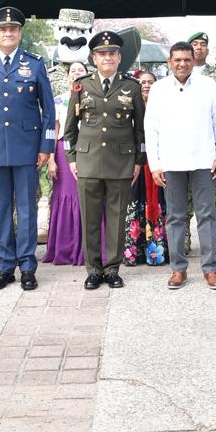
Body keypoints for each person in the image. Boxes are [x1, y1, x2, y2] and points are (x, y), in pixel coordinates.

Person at [0, 6, 55, 292]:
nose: (8, 33)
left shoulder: (35, 64)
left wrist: (45, 146)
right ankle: (5, 265)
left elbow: (48, 111)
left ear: (20, 33)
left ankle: (27, 265)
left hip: (27, 147)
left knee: (27, 208)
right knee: (0, 207)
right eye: (3, 29)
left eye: (13, 29)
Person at [63, 32, 145, 289]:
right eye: (102, 54)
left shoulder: (132, 86)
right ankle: (93, 269)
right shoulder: (81, 86)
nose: (107, 57)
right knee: (89, 219)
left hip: (121, 162)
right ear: (94, 58)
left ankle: (112, 269)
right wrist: (71, 158)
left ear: (119, 57)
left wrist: (139, 161)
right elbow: (69, 130)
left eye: (112, 53)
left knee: (116, 218)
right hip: (87, 162)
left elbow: (140, 130)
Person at [147, 41, 216, 290]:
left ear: (193, 61)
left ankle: (210, 269)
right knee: (175, 217)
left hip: (204, 160)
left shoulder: (208, 85)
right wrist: (155, 165)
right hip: (171, 162)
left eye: (187, 59)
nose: (182, 64)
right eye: (177, 60)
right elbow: (151, 128)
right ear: (169, 62)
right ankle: (178, 269)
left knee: (207, 215)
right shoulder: (159, 89)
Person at [45, 61, 90, 266]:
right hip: (64, 150)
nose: (77, 73)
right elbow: (54, 132)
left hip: (89, 149)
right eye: (73, 71)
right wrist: (51, 159)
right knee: (66, 196)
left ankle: (88, 249)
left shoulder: (92, 97)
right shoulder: (59, 100)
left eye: (81, 70)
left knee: (87, 196)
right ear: (67, 76)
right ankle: (65, 248)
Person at [125, 70, 168, 266]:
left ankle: (157, 250)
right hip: (134, 161)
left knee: (158, 202)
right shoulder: (129, 105)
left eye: (151, 82)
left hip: (157, 162)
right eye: (143, 82)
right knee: (134, 203)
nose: (147, 85)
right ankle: (134, 251)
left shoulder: (162, 105)